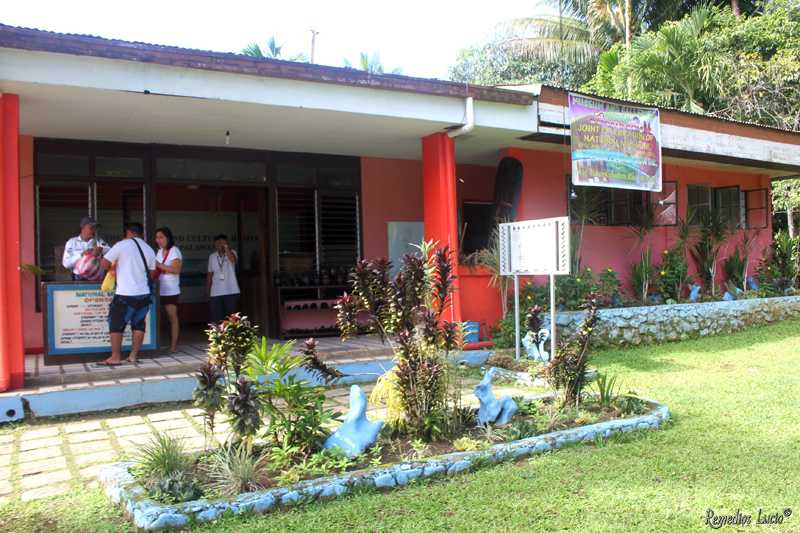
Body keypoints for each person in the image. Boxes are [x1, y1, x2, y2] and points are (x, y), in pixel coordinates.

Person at [98, 222, 156, 366]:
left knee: (116, 324)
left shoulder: (122, 245)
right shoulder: (149, 249)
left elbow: (104, 264)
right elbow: (152, 272)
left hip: (125, 293)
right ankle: (133, 356)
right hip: (144, 293)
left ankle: (115, 357)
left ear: (128, 232)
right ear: (141, 233)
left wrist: (115, 265)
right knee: (139, 325)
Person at [154, 227, 182, 354]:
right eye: (157, 238)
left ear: (168, 238)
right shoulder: (159, 252)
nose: (158, 240)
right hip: (159, 288)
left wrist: (159, 265)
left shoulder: (174, 251)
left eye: (161, 237)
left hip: (171, 289)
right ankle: (159, 345)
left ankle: (173, 346)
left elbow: (176, 270)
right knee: (159, 318)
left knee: (172, 317)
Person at [62, 216, 110, 280]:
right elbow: (66, 264)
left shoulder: (99, 241)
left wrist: (101, 250)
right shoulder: (72, 242)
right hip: (78, 280)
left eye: (95, 228)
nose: (94, 231)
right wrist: (82, 255)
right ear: (83, 228)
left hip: (96, 279)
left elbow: (111, 253)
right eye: (91, 228)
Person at [207, 234, 240, 323]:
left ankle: (232, 336)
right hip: (216, 292)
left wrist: (226, 247)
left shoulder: (232, 252)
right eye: (217, 243)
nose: (219, 245)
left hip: (231, 291)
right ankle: (219, 336)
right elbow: (210, 274)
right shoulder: (212, 256)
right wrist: (208, 290)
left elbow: (233, 260)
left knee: (232, 317)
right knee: (217, 317)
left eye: (221, 242)